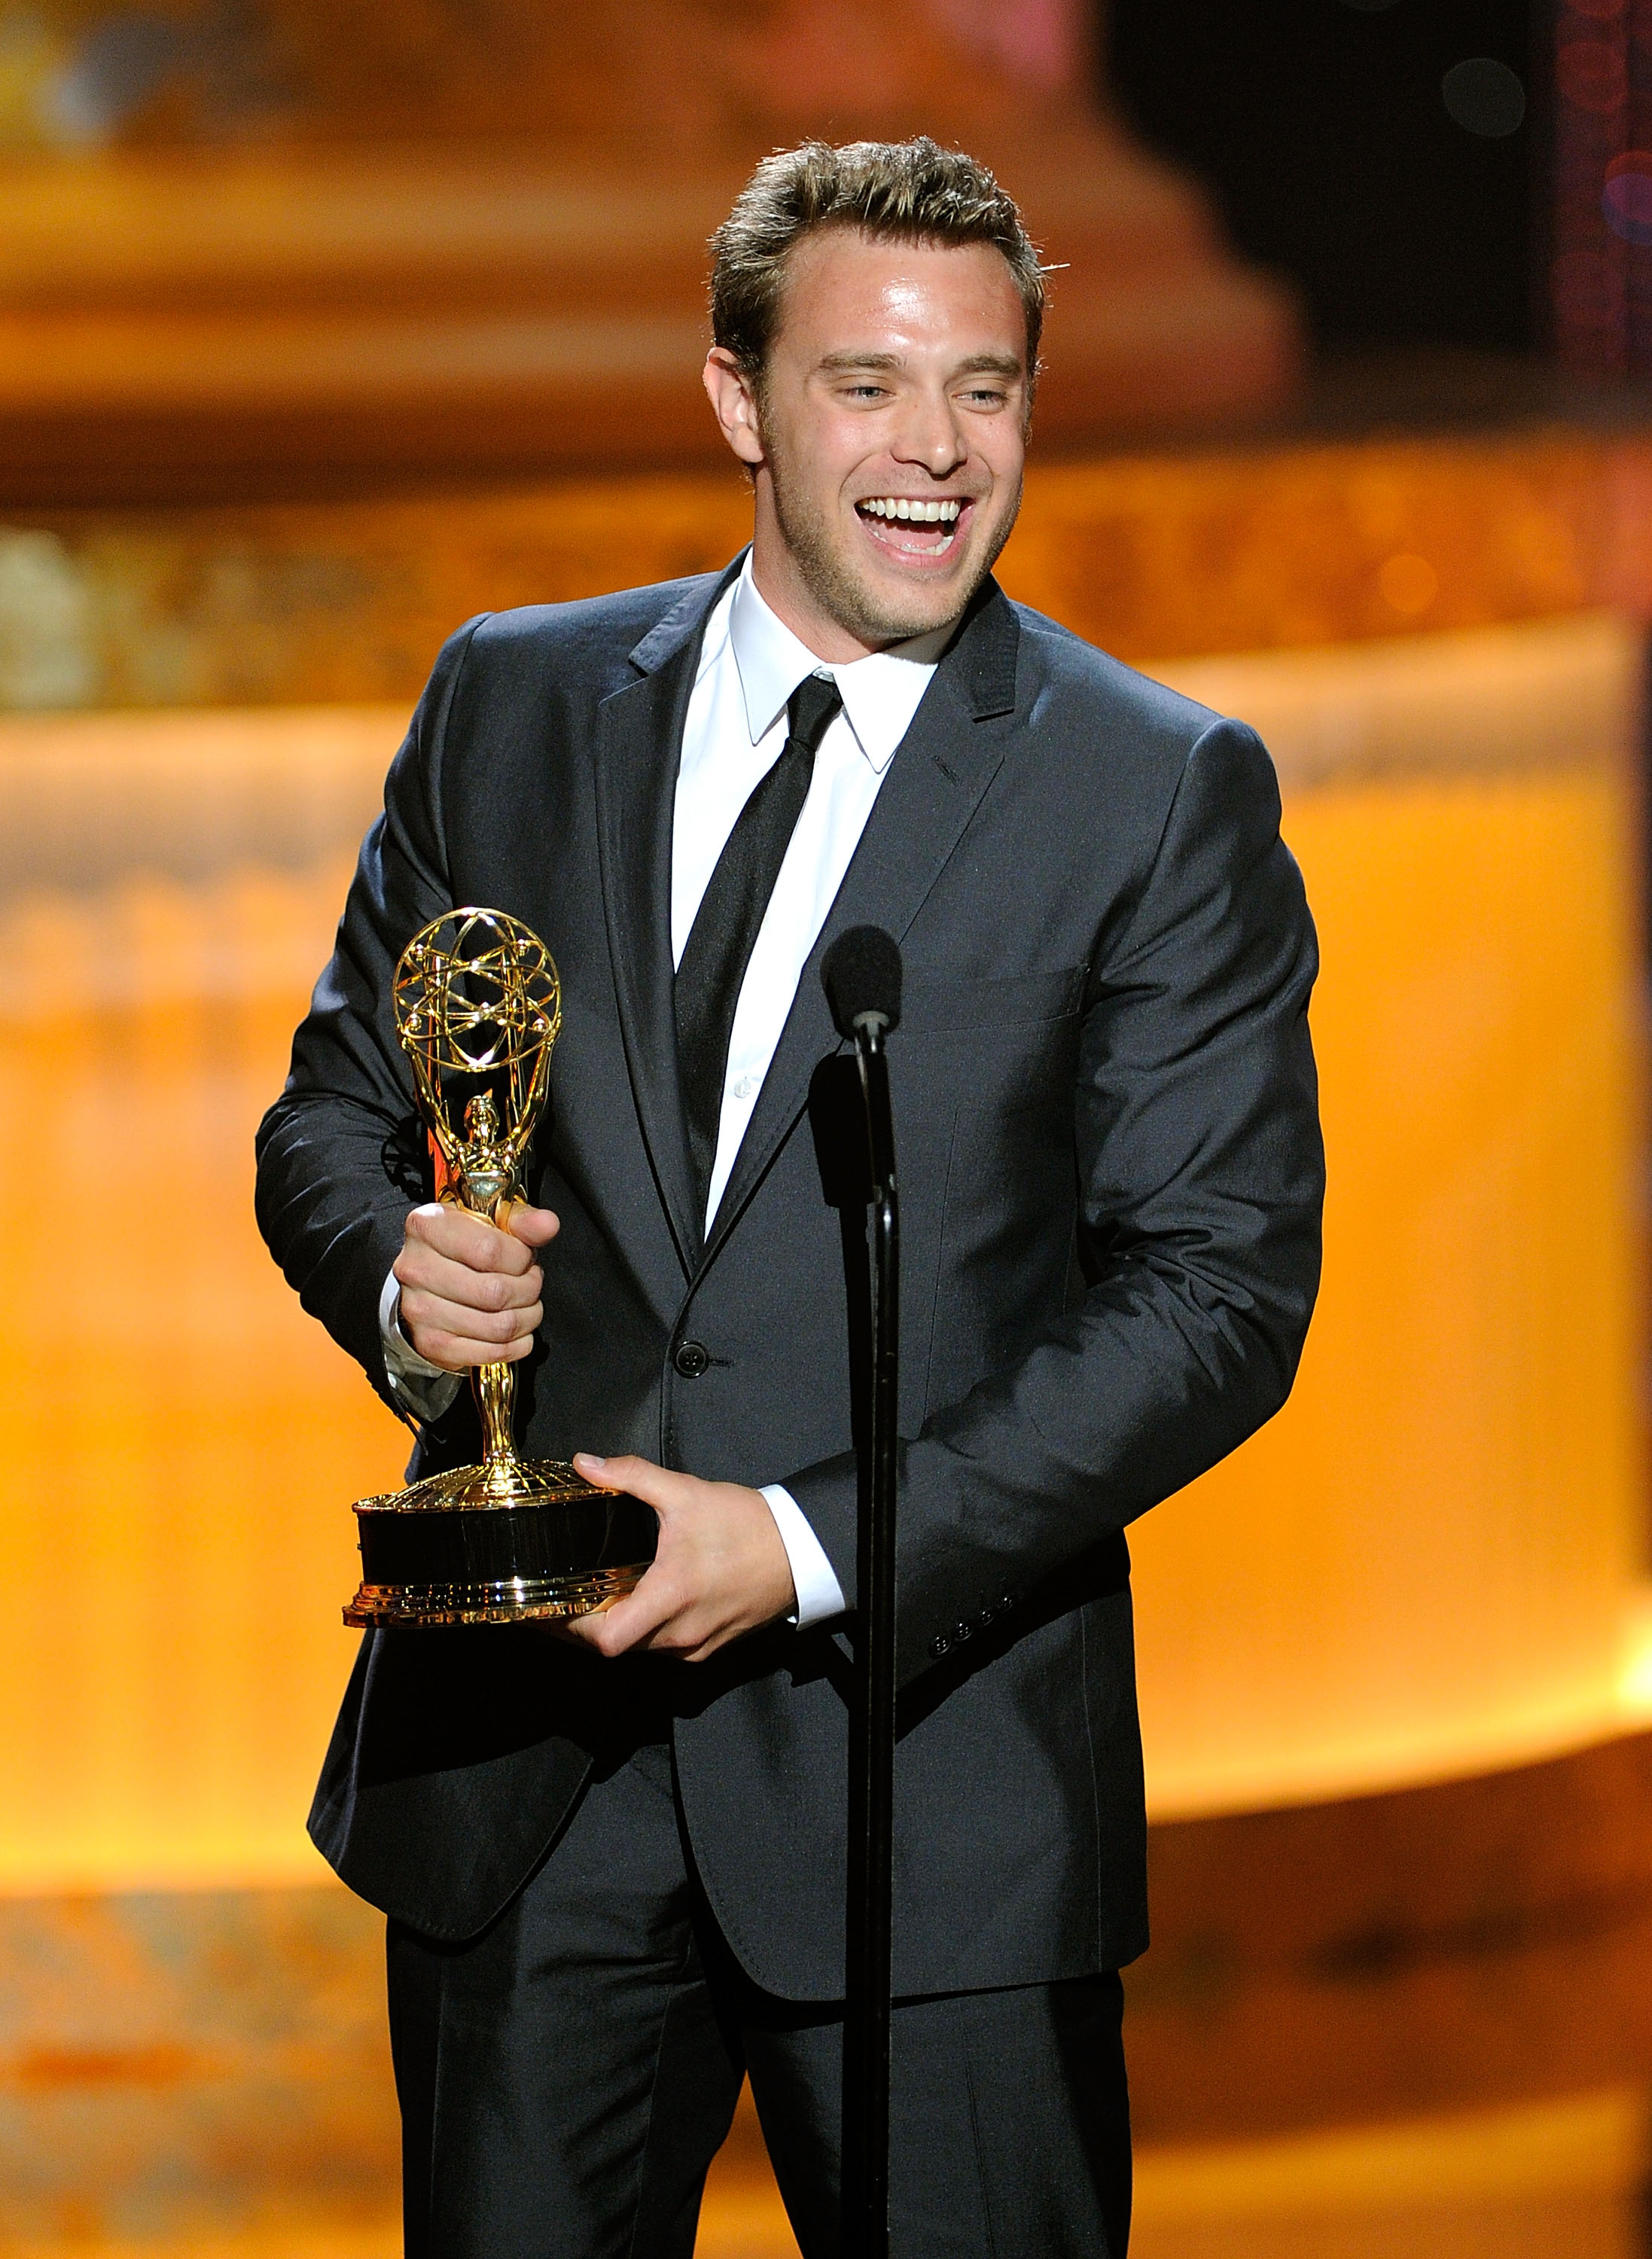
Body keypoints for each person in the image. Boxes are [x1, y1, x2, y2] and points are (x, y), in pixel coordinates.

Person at [256, 134, 1323, 2259]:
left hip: (931, 1798)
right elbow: (332, 1116)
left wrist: (811, 1545)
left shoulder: (1150, 785)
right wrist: (400, 1277)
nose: (936, 450)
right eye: (867, 385)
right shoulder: (516, 699)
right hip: (525, 1776)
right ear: (739, 397)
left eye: (986, 390)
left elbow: (1216, 1294)